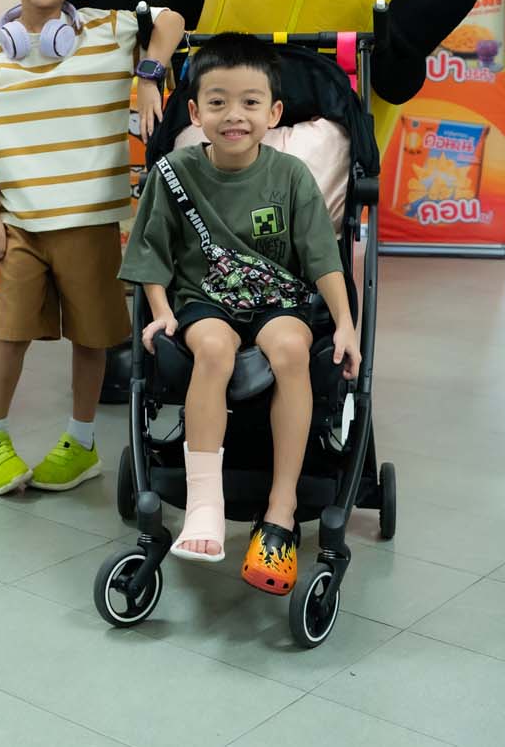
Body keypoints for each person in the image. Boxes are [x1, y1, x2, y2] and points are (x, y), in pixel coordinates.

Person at [0, 0, 182, 495]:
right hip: (21, 225)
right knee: (10, 336)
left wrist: (148, 74)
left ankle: (81, 444)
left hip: (90, 222)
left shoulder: (110, 31)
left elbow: (172, 19)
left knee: (92, 337)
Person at [119, 31, 357, 595]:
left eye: (250, 103)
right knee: (212, 347)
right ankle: (205, 503)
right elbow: (151, 251)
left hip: (278, 298)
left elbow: (322, 256)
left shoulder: (290, 175)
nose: (234, 116)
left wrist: (346, 324)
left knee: (292, 348)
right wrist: (160, 311)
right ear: (195, 112)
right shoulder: (175, 172)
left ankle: (280, 510)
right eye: (218, 102)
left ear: (273, 113)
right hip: (203, 298)